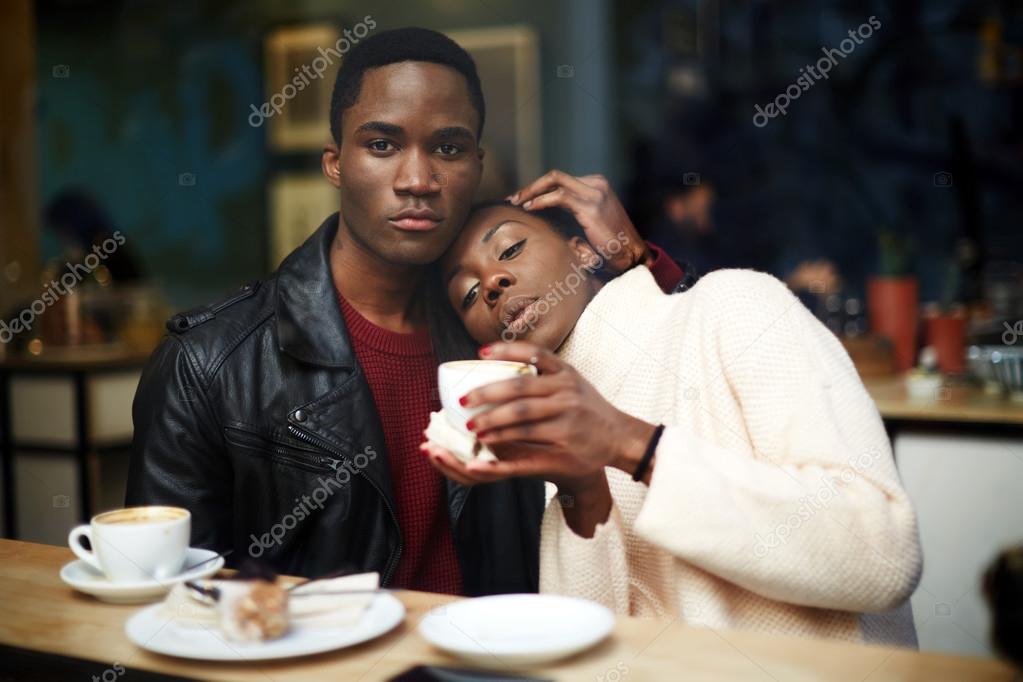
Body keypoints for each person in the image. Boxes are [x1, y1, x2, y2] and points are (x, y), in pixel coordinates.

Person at [126, 27, 685, 592]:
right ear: (335, 163)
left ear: (476, 163)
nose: (418, 180)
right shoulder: (207, 366)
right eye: (382, 145)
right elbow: (175, 603)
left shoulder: (500, 327)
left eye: (447, 148)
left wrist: (631, 257)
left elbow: (673, 380)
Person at [422, 199, 923, 645]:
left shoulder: (733, 304)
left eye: (509, 250)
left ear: (583, 252)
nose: (490, 284)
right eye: (467, 294)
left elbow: (883, 556)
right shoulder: (555, 428)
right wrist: (581, 489)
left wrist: (633, 446)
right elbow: (596, 652)